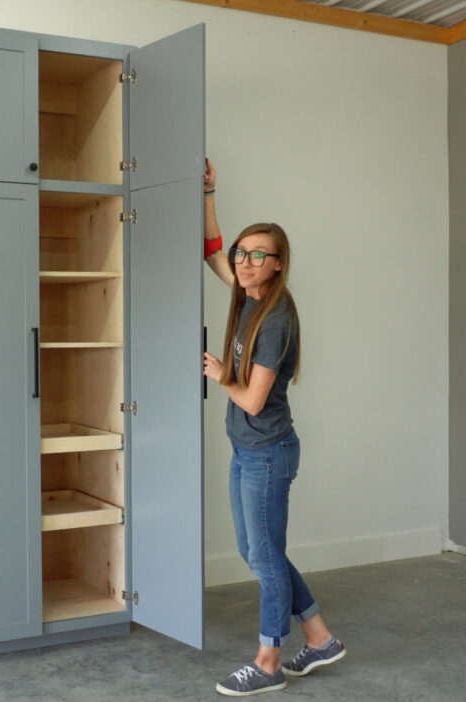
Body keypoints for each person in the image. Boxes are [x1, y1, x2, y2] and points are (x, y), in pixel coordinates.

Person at [202, 158, 346, 696]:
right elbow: (212, 250)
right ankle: (320, 637)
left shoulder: (276, 317)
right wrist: (210, 193)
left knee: (263, 558)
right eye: (244, 252)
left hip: (268, 450)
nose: (243, 261)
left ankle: (267, 663)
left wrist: (219, 376)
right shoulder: (247, 295)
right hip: (248, 450)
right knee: (261, 553)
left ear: (277, 264)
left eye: (257, 255)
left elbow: (256, 401)